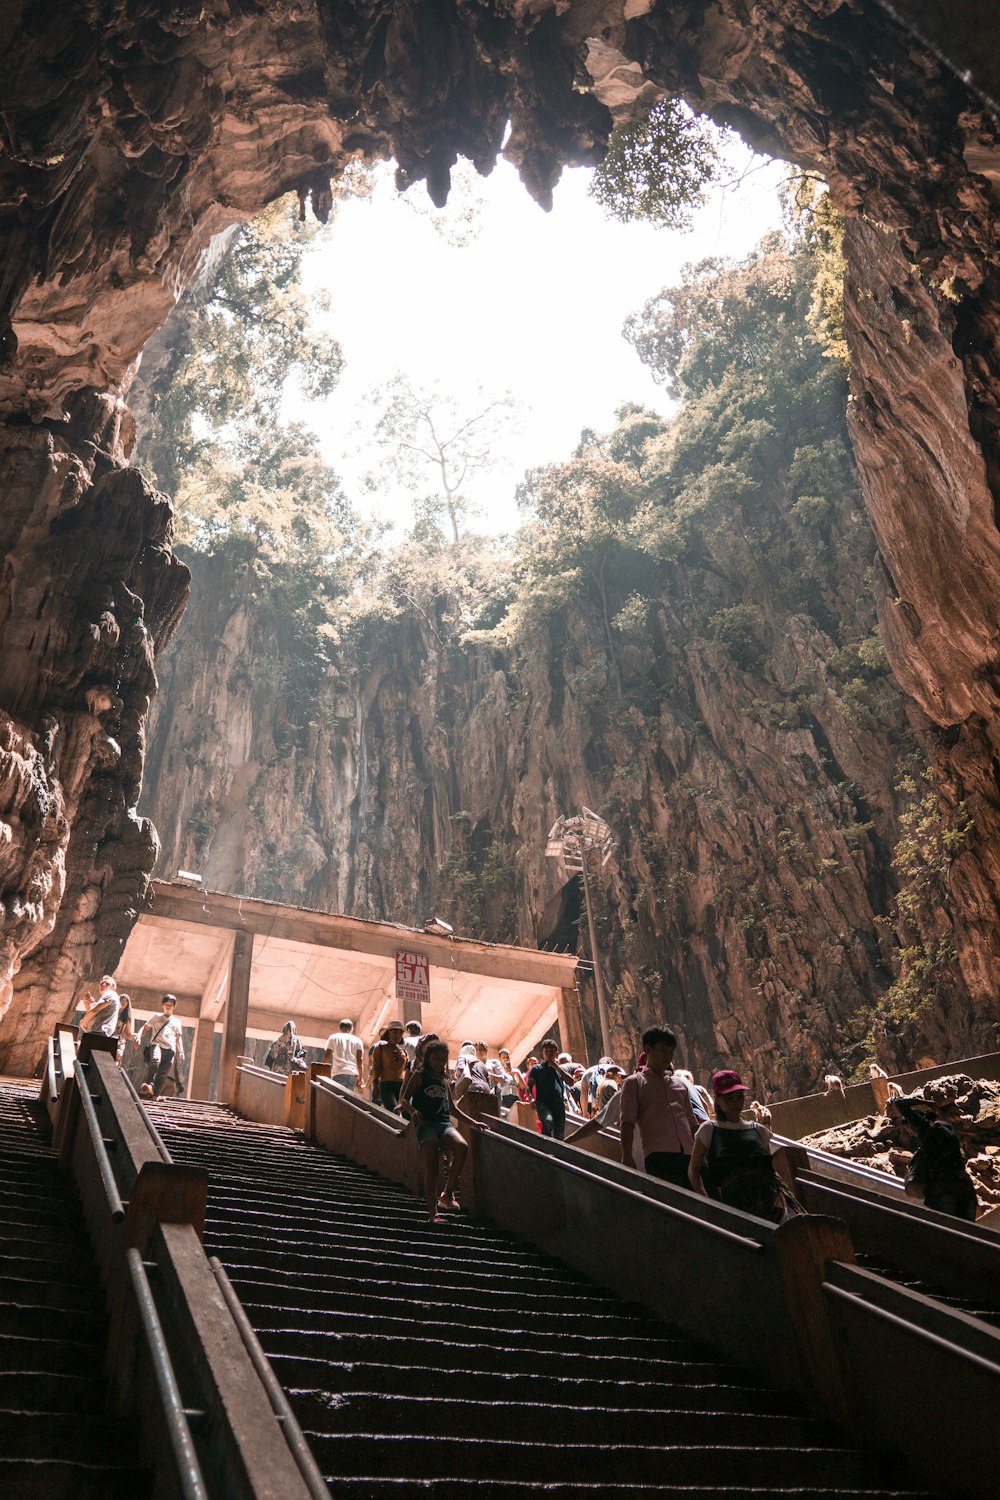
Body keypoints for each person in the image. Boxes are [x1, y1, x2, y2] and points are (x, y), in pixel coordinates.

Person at [688, 1069, 785, 1222]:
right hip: (733, 1213)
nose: (736, 1102)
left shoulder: (759, 1130)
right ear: (717, 1100)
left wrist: (783, 1203)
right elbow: (693, 1171)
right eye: (729, 1098)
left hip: (770, 1210)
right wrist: (709, 1204)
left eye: (739, 1097)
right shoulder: (708, 1130)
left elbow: (771, 1172)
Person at [399, 1040, 469, 1223]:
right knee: (432, 1165)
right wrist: (412, 1111)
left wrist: (474, 1123)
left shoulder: (444, 1081)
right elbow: (404, 1100)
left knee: (461, 1147)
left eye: (443, 1059)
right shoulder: (418, 1076)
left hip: (444, 1123)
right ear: (428, 1058)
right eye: (436, 1058)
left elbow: (453, 1110)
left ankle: (447, 1193)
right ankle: (433, 1214)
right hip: (426, 1124)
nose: (439, 1062)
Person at [619, 1026, 698, 1187]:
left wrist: (702, 1154)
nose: (668, 1056)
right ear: (648, 1049)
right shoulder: (634, 1083)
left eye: (671, 1052)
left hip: (690, 1154)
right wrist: (627, 1156)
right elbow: (627, 1122)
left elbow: (692, 1123)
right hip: (659, 1156)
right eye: (663, 1050)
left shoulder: (679, 1085)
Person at [897, 1095, 978, 1221]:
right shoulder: (947, 1131)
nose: (911, 1134)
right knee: (968, 1234)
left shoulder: (928, 1131)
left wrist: (924, 1101)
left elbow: (899, 1103)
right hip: (965, 1189)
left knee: (948, 1234)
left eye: (908, 1130)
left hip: (944, 1193)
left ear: (913, 1124)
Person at [526, 1040, 575, 1140]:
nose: (549, 1054)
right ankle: (545, 1146)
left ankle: (558, 1154)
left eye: (552, 1051)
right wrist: (531, 1098)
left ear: (556, 1053)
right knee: (547, 1122)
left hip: (558, 1104)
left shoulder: (561, 1069)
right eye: (546, 1051)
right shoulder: (536, 1069)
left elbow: (571, 1082)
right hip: (543, 1103)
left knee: (559, 1134)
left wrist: (557, 1068)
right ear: (543, 1053)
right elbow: (529, 1086)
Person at [139, 995, 185, 1099]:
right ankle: (149, 1084)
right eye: (166, 1004)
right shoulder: (156, 1017)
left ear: (174, 1006)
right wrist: (138, 1037)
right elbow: (145, 1028)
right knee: (155, 1060)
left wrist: (181, 1051)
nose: (168, 1007)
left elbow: (178, 1038)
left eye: (170, 1005)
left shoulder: (177, 1021)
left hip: (170, 1049)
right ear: (162, 1005)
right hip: (157, 1044)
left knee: (163, 1073)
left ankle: (155, 1095)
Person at [370, 1021, 408, 1109]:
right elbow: (376, 1069)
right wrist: (375, 1088)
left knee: (406, 1113)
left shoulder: (404, 1052)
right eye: (394, 1032)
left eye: (400, 1033)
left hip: (402, 1086)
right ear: (389, 1033)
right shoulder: (380, 1049)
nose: (397, 1035)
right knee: (393, 1110)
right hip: (386, 1085)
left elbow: (406, 1070)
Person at [323, 1018, 365, 1092]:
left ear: (339, 1028)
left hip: (338, 1072)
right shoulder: (358, 1041)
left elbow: (327, 1055)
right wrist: (361, 1078)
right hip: (352, 1074)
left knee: (338, 1098)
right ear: (352, 1029)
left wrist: (322, 1070)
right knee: (348, 1099)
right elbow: (360, 1060)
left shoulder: (333, 1037)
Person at [112, 991, 135, 1067]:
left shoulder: (127, 1018)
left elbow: (129, 1034)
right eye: (122, 1000)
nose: (123, 1002)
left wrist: (138, 1036)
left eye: (125, 1001)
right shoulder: (112, 1013)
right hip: (109, 1038)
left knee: (117, 1059)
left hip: (119, 1041)